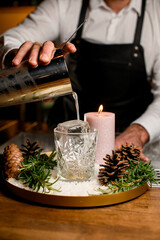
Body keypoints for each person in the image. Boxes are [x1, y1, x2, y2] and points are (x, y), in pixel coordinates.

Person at [1, 0, 160, 161]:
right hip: (66, 141)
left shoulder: (156, 11)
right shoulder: (63, 4)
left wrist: (140, 131)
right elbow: (10, 38)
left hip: (132, 144)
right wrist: (17, 57)